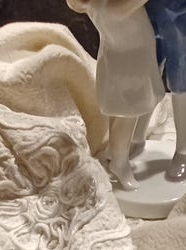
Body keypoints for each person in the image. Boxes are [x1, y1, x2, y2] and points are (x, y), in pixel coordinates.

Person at [67, 0, 165, 190]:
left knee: (119, 111)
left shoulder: (100, 4)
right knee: (128, 113)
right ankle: (120, 162)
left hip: (125, 58)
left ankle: (113, 151)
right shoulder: (108, 7)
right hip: (129, 63)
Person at [132, 0, 186, 180]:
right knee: (146, 76)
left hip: (184, 19)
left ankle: (185, 150)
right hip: (145, 14)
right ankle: (136, 137)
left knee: (183, 84)